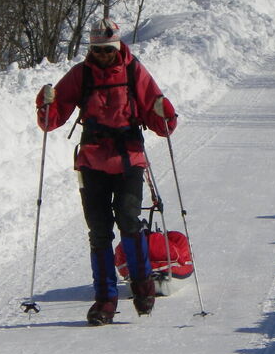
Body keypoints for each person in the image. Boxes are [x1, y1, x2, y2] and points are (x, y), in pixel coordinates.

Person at [35, 18, 177, 326]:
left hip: (129, 160)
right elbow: (52, 120)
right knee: (99, 231)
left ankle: (142, 285)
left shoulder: (133, 71)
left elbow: (161, 121)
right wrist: (45, 104)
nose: (102, 55)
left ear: (117, 46)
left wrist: (163, 113)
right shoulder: (81, 74)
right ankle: (105, 299)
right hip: (92, 162)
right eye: (97, 50)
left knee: (128, 219)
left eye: (107, 50)